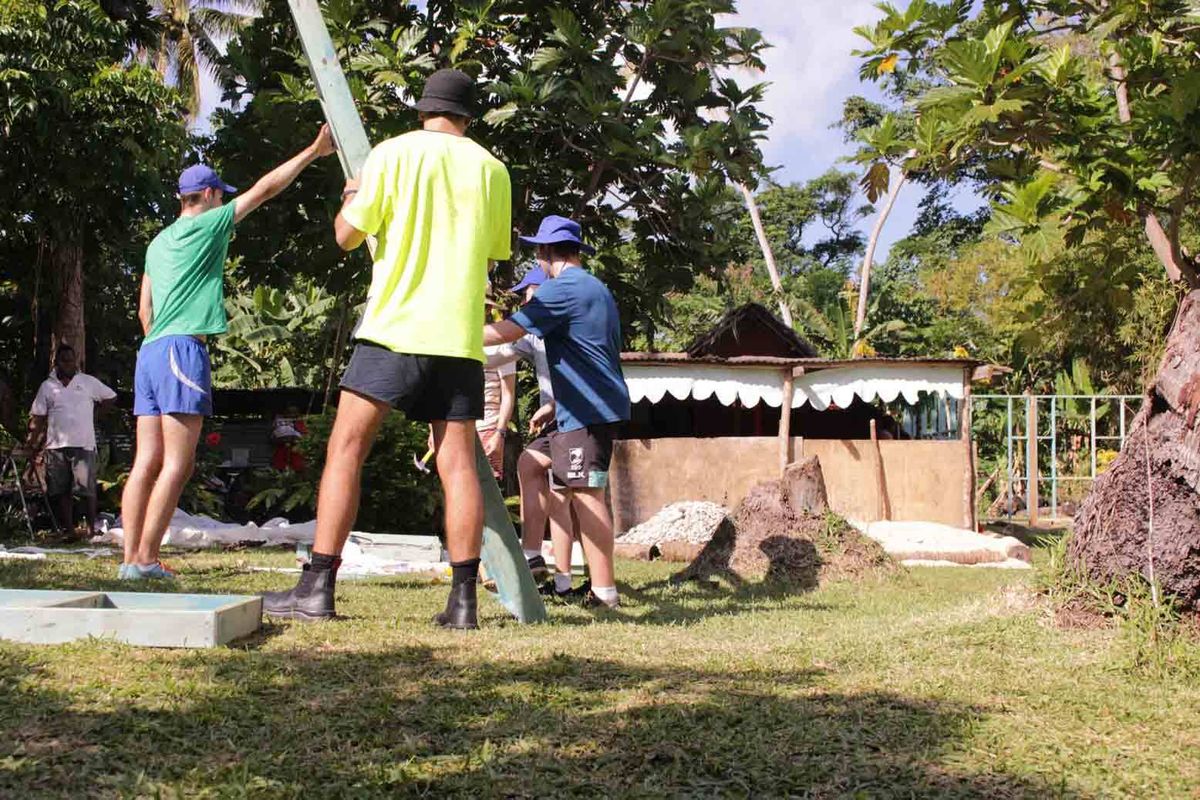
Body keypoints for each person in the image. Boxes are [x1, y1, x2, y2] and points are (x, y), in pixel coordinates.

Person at [261, 69, 512, 629]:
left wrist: (352, 198)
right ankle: (463, 603)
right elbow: (492, 251)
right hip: (458, 337)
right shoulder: (492, 169)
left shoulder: (390, 154)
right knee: (458, 466)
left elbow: (346, 236)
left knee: (346, 449)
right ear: (468, 116)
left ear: (422, 110)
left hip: (393, 327)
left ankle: (317, 588)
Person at [119, 125, 336, 580]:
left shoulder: (157, 242)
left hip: (150, 351)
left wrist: (162, 339)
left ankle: (129, 561)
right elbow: (265, 190)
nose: (223, 202)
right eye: (221, 196)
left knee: (145, 461)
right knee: (178, 462)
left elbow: (143, 310)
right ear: (209, 195)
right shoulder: (209, 223)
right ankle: (146, 561)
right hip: (182, 348)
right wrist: (313, 151)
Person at [484, 215, 630, 609]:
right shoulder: (595, 286)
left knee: (586, 495)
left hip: (588, 409)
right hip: (572, 410)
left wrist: (452, 337)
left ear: (546, 252)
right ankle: (532, 556)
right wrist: (551, 404)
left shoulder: (562, 288)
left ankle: (605, 594)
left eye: (538, 252)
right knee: (530, 463)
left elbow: (509, 331)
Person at [483, 266, 570, 589]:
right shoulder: (532, 335)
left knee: (563, 497)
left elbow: (582, 374)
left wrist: (553, 405)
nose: (524, 302)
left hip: (577, 416)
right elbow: (496, 356)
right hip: (556, 420)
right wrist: (456, 350)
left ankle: (570, 582)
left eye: (529, 295)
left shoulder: (566, 327)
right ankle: (532, 556)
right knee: (528, 464)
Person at [25, 345, 117, 535]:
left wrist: (96, 415)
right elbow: (38, 416)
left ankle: (91, 529)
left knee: (87, 490)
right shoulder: (47, 386)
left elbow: (110, 397)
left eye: (70, 360)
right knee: (61, 490)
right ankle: (69, 530)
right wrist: (31, 443)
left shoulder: (87, 382)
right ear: (56, 362)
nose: (67, 364)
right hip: (56, 446)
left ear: (76, 361)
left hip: (83, 444)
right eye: (63, 360)